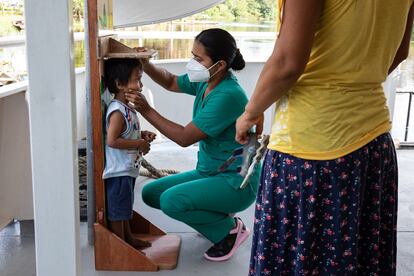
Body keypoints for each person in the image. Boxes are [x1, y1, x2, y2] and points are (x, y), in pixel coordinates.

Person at [236, 0, 414, 275]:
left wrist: (250, 112)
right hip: (375, 141)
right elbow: (400, 52)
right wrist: (355, 83)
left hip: (312, 149)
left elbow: (287, 63)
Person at [125, 28, 261, 261]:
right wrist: (145, 63)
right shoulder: (208, 80)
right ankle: (217, 216)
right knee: (151, 193)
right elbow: (170, 81)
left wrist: (146, 109)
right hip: (210, 172)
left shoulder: (227, 94)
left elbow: (184, 138)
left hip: (235, 181)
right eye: (192, 56)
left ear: (219, 64)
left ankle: (229, 232)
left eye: (198, 59)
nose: (192, 63)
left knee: (171, 201)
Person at [102, 58, 156, 249]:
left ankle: (128, 238)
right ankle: (121, 247)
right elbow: (112, 140)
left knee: (124, 208)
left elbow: (125, 133)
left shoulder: (127, 109)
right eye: (137, 79)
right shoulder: (117, 111)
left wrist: (141, 135)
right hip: (118, 171)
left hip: (128, 169)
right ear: (119, 84)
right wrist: (139, 143)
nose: (140, 86)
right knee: (118, 211)